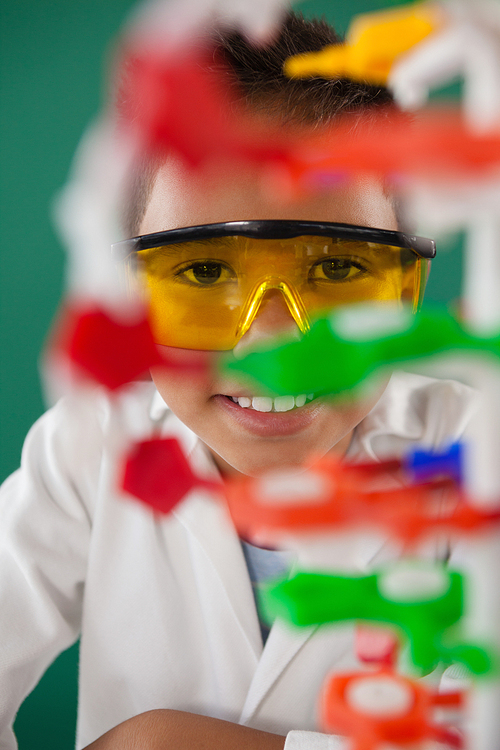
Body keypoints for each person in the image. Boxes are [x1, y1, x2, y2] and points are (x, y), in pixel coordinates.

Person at [0, 12, 474, 750]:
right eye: (204, 270)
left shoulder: (478, 459)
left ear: (406, 293)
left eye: (339, 269)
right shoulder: (86, 449)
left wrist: (158, 742)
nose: (272, 338)